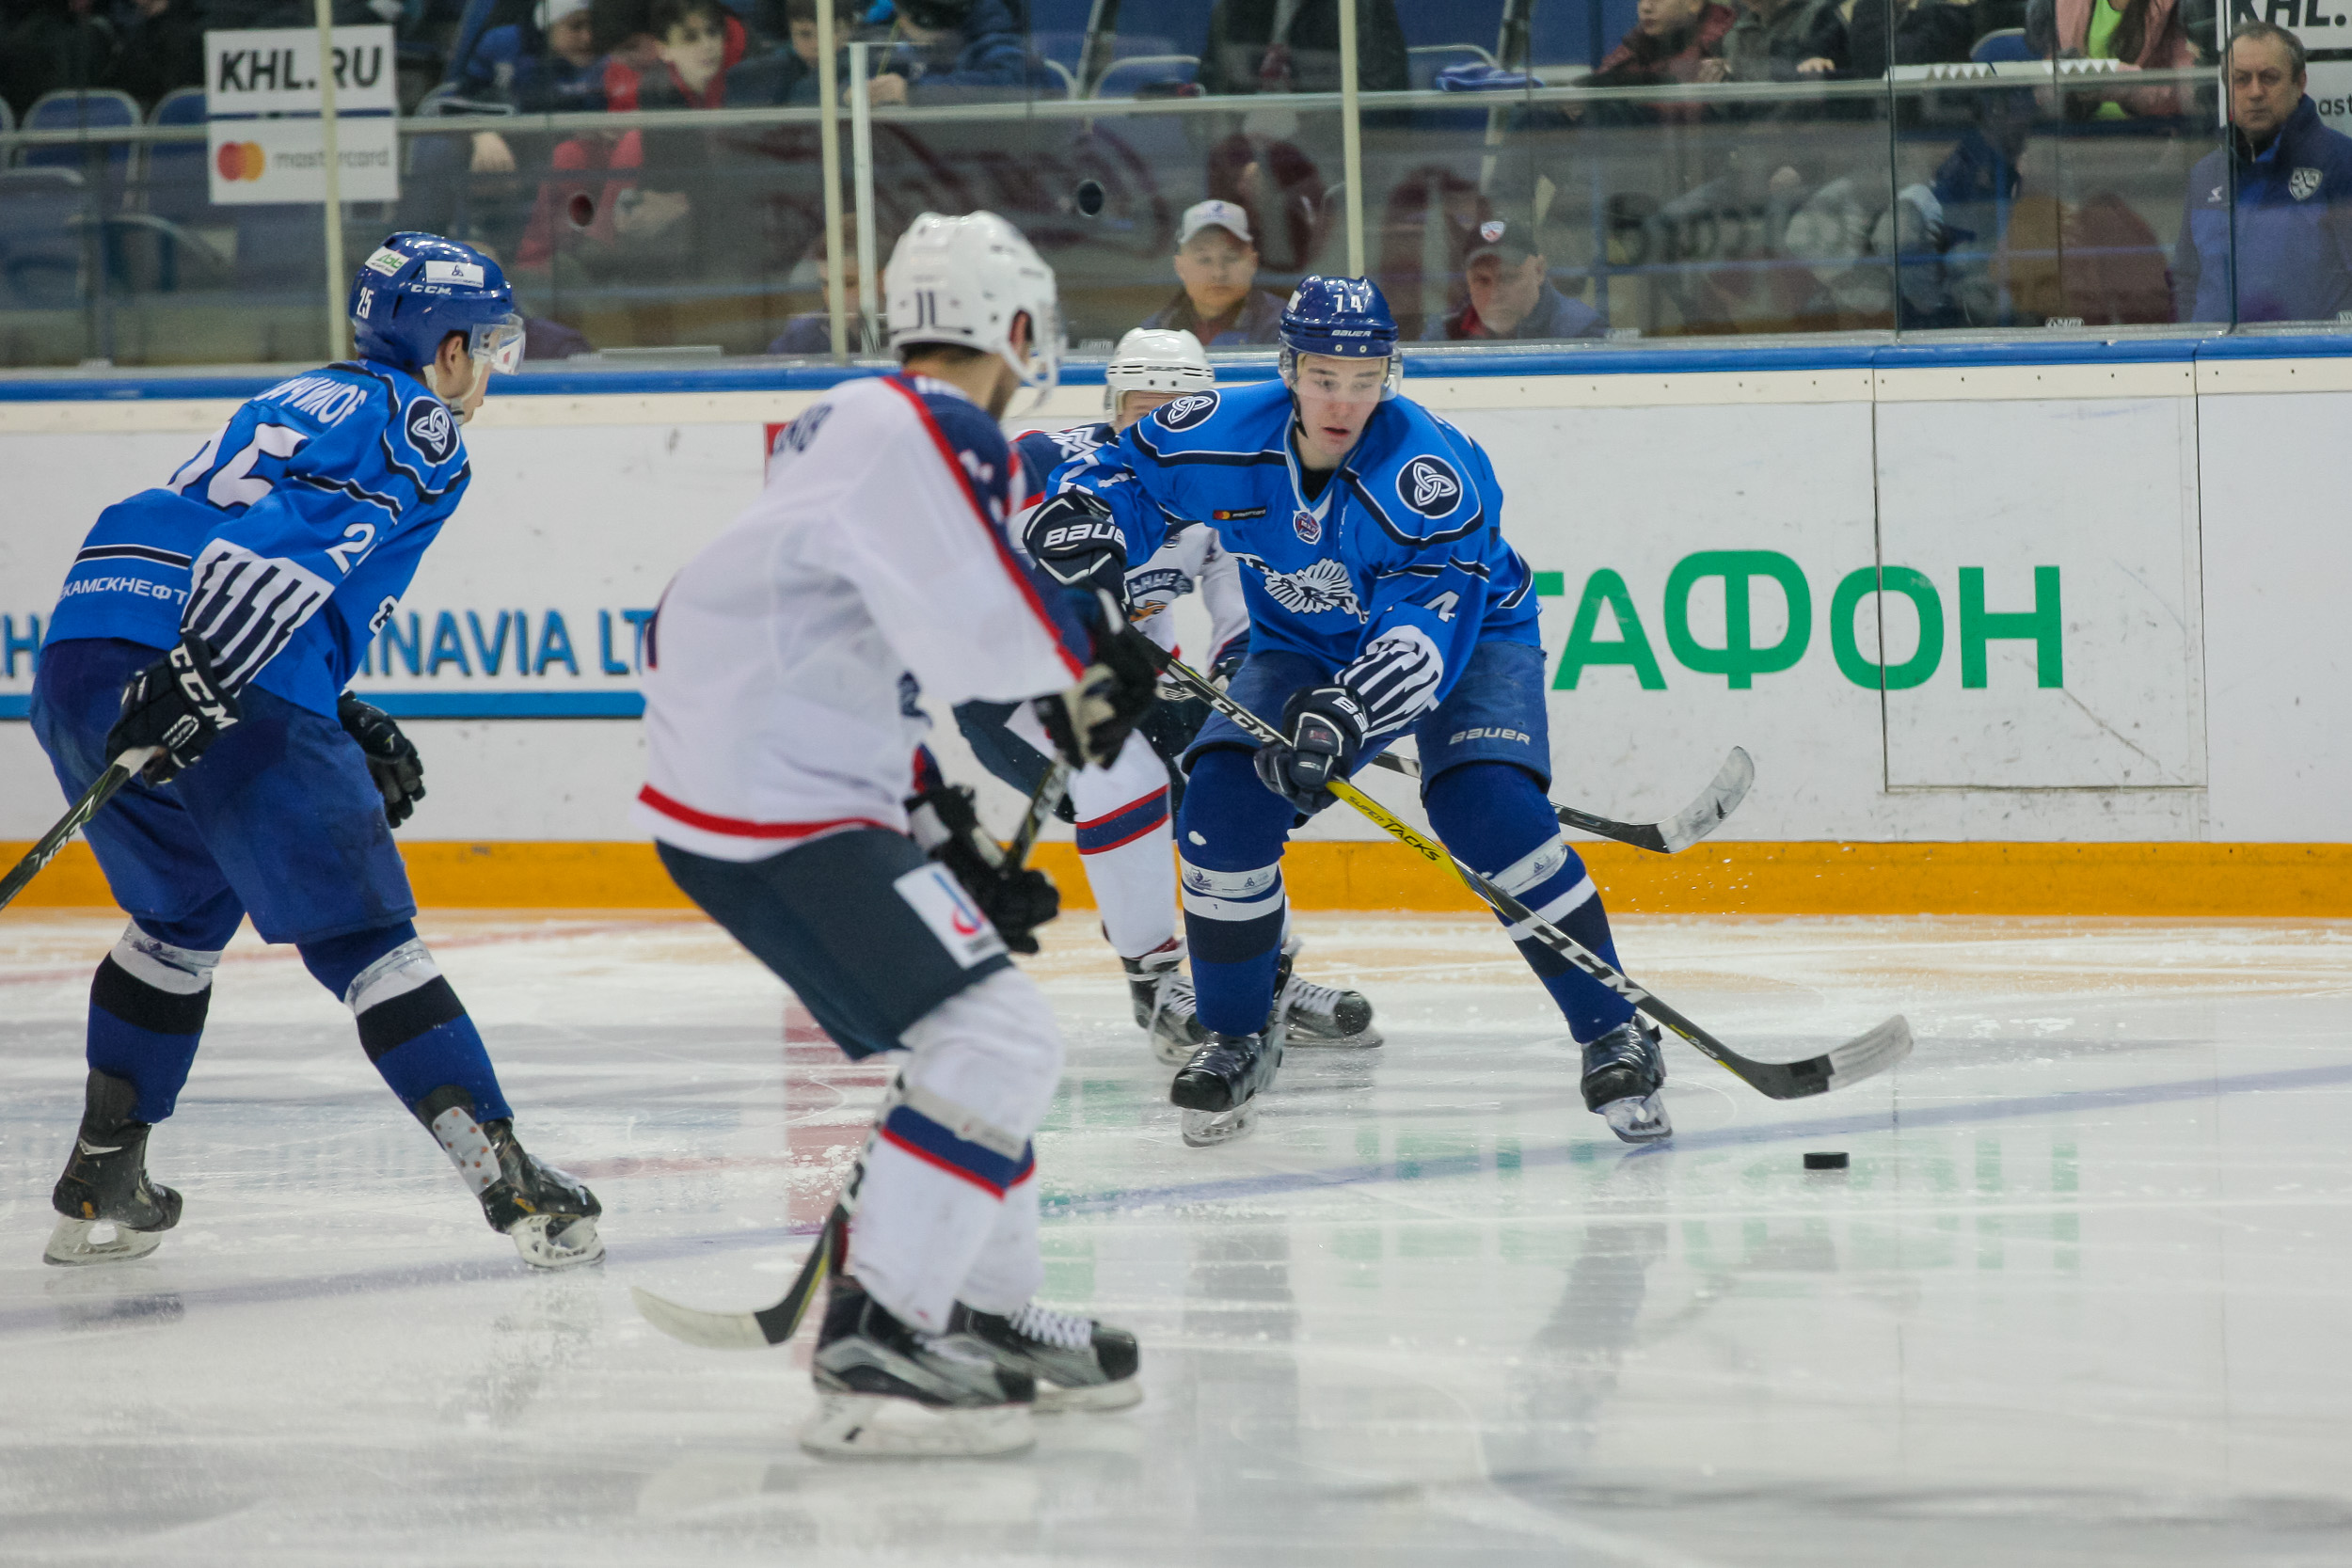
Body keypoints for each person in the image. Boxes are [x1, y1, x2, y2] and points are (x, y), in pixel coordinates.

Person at [632, 211, 1156, 1456]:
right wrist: (1082, 667)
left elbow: (873, 638)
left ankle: (988, 1304)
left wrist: (938, 827)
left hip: (764, 791)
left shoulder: (853, 428)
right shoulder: (932, 426)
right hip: (779, 802)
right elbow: (991, 611)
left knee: (973, 1032)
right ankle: (885, 1323)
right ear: (1013, 326)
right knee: (999, 1037)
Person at [24, 232, 606, 1273]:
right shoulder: (418, 419)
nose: (491, 375)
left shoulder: (299, 394)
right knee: (365, 936)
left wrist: (325, 702)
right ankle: (509, 1178)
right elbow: (281, 550)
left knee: (179, 919)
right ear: (450, 348)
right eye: (491, 349)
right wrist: (203, 676)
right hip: (208, 658)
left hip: (84, 641)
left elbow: (224, 530)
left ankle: (103, 1173)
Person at [1052, 278, 1674, 1148]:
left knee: (1488, 811)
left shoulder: (1429, 475)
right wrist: (1089, 521)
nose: (1343, 401)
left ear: (1390, 374)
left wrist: (1346, 717)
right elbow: (1122, 466)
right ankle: (1235, 1036)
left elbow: (1424, 631)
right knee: (1222, 807)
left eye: (1363, 378)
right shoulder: (1225, 428)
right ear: (1288, 370)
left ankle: (1613, 1030)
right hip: (1300, 644)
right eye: (1323, 378)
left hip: (1474, 636)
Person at [955, 327, 1376, 1065]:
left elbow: (1241, 607)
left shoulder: (1224, 491)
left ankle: (1258, 972)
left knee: (1226, 787)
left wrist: (1247, 678)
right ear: (1112, 405)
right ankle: (1153, 981)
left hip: (1140, 685)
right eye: (1138, 410)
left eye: (1172, 412)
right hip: (1015, 693)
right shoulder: (1045, 462)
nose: (1151, 431)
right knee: (1122, 776)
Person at [2174, 22, 2352, 325]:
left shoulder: (2341, 162)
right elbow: (2186, 280)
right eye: (2241, 79)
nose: (2255, 92)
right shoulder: (2207, 174)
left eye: (2269, 78)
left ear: (2300, 83)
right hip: (2212, 353)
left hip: (2310, 353)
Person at [1422, 199, 1605, 341]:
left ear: (1539, 271)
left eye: (1509, 278)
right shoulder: (1446, 329)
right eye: (1482, 281)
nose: (1495, 294)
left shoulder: (1580, 331)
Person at [1141, 200, 1287, 348]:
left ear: (1253, 263)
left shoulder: (1287, 327)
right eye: (1204, 260)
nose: (1218, 273)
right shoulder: (1154, 332)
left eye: (1230, 258)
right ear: (1180, 267)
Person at [1198, 0, 1408, 96]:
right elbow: (1211, 85)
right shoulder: (1236, 7)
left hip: (1325, 149)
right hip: (1244, 148)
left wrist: (1303, 123)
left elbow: (1383, 96)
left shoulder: (1358, 6)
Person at [2053, 0, 2195, 118]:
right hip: (2076, 132)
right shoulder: (2065, 5)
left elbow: (2189, 93)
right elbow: (2048, 73)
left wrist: (2126, 86)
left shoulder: (2179, 6)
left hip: (2145, 132)